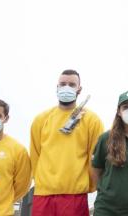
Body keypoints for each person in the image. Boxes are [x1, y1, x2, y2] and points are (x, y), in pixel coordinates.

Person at [30, 69, 104, 216]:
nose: (66, 87)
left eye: (71, 84)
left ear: (79, 89)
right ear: (57, 87)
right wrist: (41, 183)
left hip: (74, 195)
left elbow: (95, 158)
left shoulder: (91, 120)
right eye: (62, 84)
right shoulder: (41, 119)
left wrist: (90, 186)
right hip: (43, 195)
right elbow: (35, 155)